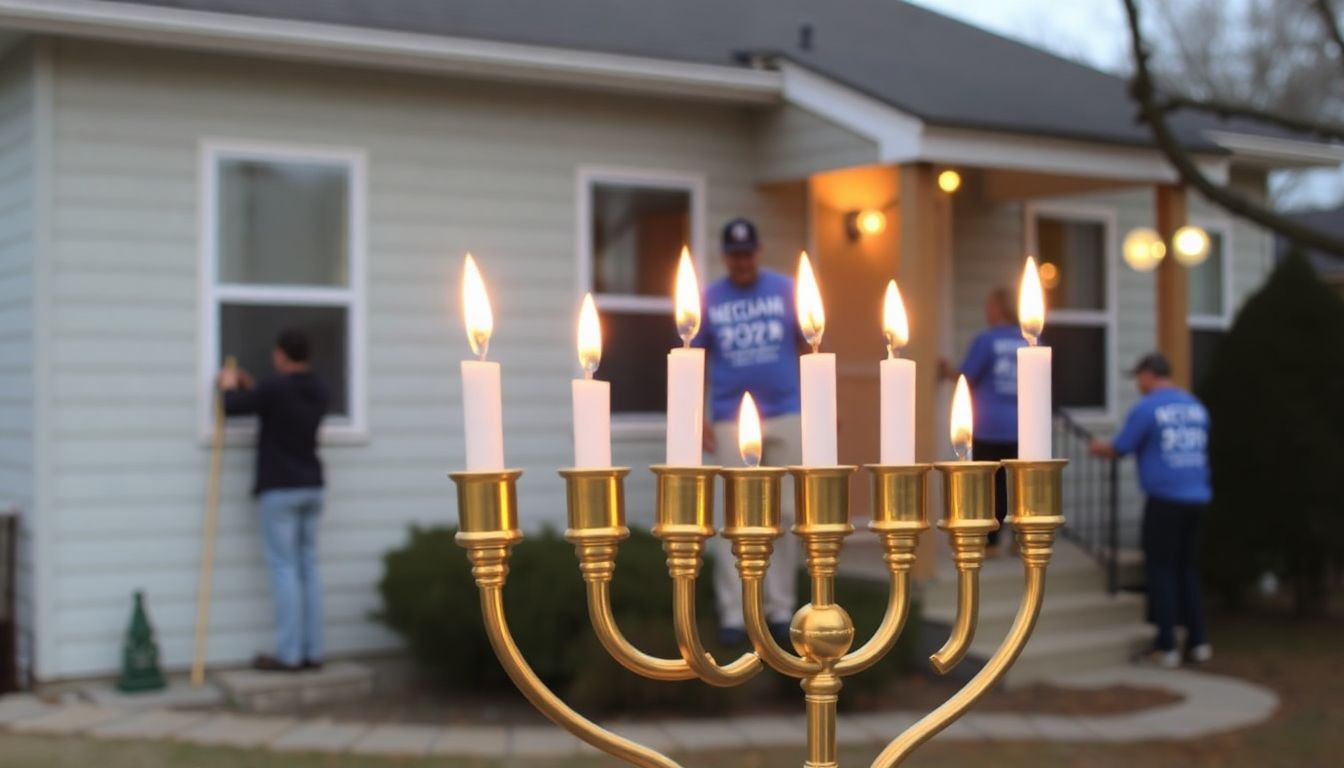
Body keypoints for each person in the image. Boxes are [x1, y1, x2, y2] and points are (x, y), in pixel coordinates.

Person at [694, 217, 803, 647]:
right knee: (730, 518)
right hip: (727, 416)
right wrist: (697, 414)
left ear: (758, 252)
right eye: (734, 254)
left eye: (748, 253)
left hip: (787, 411)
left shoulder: (785, 289)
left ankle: (780, 609)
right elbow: (695, 355)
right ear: (725, 256)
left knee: (787, 514)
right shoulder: (710, 299)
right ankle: (734, 614)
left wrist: (822, 404)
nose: (742, 261)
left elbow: (812, 343)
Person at [1090, 353, 1212, 669]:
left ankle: (1166, 646)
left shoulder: (1148, 408)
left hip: (1165, 501)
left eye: (1138, 377)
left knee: (1161, 571)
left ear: (1148, 374)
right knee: (1187, 569)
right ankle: (1198, 642)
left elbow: (1120, 447)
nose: (1137, 384)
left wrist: (1097, 448)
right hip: (1196, 498)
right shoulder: (1195, 406)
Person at [218, 329, 330, 672]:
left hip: (280, 488)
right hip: (313, 485)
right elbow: (283, 407)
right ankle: (313, 652)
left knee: (284, 570)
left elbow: (232, 408)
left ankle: (289, 654)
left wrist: (226, 384)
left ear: (281, 354)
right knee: (308, 568)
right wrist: (255, 389)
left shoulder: (274, 387)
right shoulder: (320, 389)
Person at [940, 288, 1025, 554]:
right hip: (1022, 426)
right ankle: (1021, 537)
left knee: (989, 484)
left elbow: (966, 378)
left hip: (988, 424)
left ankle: (991, 541)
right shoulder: (1028, 340)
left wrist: (945, 371)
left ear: (998, 309)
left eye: (989, 306)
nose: (986, 311)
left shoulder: (987, 340)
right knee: (1019, 484)